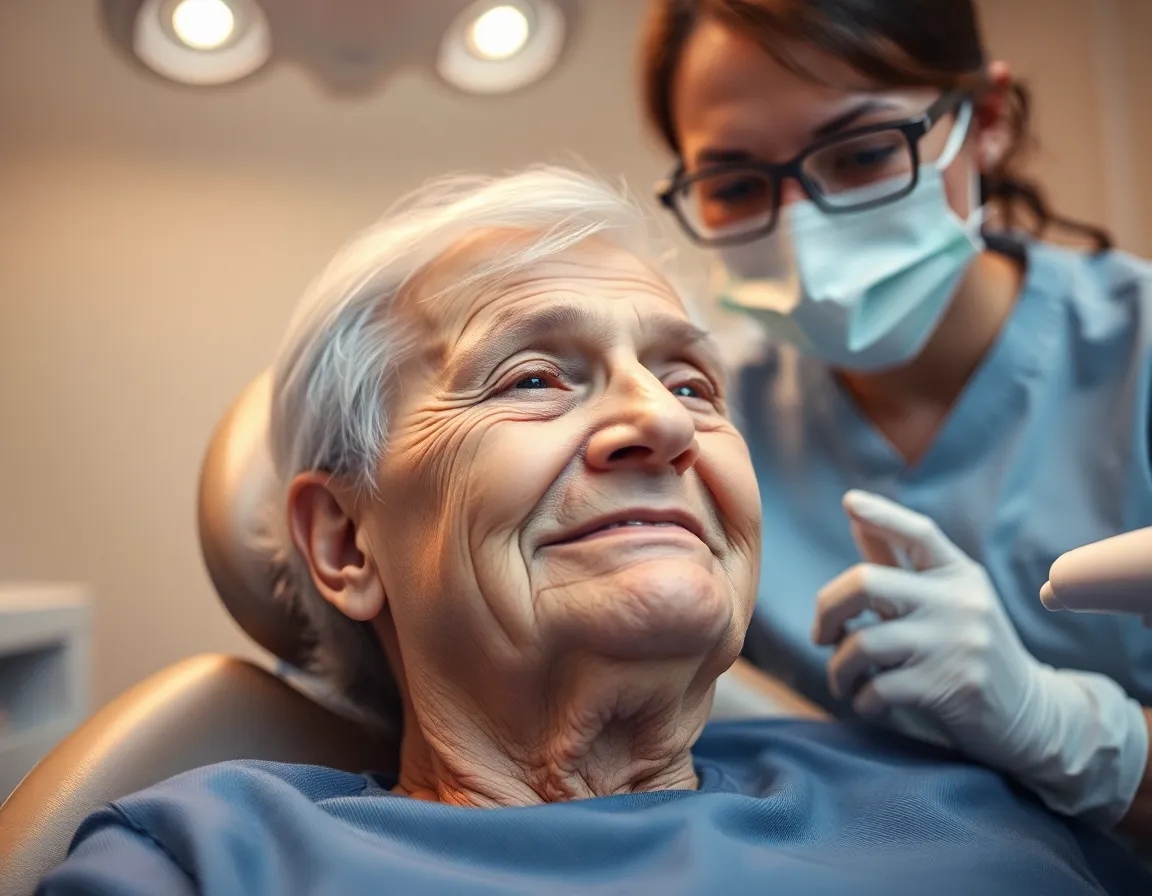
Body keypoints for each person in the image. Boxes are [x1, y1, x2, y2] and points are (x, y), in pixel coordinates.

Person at [37, 168, 1152, 895]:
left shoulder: (957, 789)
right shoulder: (203, 862)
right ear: (344, 541)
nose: (662, 421)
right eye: (531, 378)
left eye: (691, 382)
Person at [638, 0, 1152, 834]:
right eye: (735, 184)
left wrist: (1068, 730)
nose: (804, 227)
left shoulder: (1137, 357)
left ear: (984, 121)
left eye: (866, 151)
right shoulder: (706, 426)